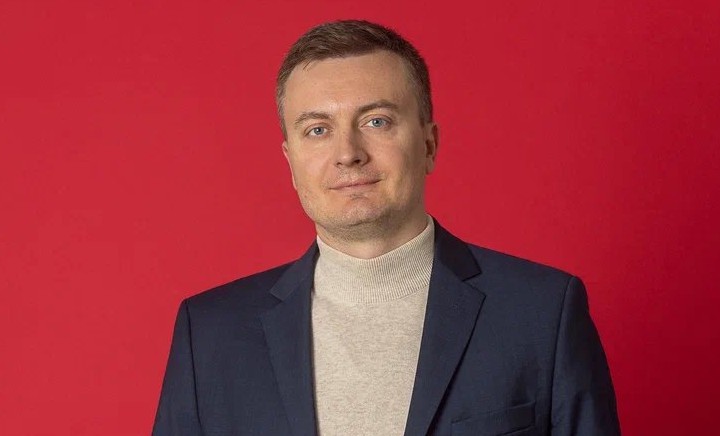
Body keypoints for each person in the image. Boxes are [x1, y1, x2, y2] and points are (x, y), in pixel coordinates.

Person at [153, 20, 620, 436]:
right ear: (290, 162)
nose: (348, 153)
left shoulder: (543, 313)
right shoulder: (209, 333)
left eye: (376, 121)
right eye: (317, 129)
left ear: (429, 145)